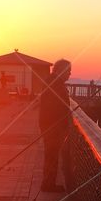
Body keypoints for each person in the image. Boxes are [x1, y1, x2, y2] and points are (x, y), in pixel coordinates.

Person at [38, 59, 72, 192]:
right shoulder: (55, 84)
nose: (70, 74)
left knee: (51, 155)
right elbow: (56, 107)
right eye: (68, 71)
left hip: (50, 126)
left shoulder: (52, 81)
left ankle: (48, 183)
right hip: (52, 127)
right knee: (51, 155)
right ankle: (48, 185)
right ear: (61, 70)